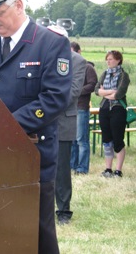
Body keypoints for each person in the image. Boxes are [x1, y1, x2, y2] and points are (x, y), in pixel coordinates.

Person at [0, 0, 72, 254]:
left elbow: (54, 99)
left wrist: (4, 127)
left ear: (19, 5)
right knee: (0, 229)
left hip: (32, 154)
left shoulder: (50, 43)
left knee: (38, 233)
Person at [55, 40, 86, 226]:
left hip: (63, 120)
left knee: (61, 170)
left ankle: (63, 211)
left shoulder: (77, 60)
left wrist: (47, 104)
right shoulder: (39, 54)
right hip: (38, 120)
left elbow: (74, 91)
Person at [95, 50, 130, 178]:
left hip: (118, 109)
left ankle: (118, 170)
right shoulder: (104, 74)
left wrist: (105, 92)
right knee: (106, 139)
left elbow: (119, 94)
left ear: (118, 60)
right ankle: (108, 169)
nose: (108, 61)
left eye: (110, 59)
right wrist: (110, 92)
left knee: (117, 140)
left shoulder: (123, 76)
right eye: (107, 59)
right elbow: (96, 90)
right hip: (104, 109)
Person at [70, 42, 98, 174]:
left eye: (73, 52)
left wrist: (77, 91)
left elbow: (92, 85)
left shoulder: (88, 67)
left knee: (81, 139)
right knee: (73, 139)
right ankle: (73, 165)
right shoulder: (69, 67)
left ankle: (82, 168)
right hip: (71, 107)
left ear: (79, 52)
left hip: (81, 107)